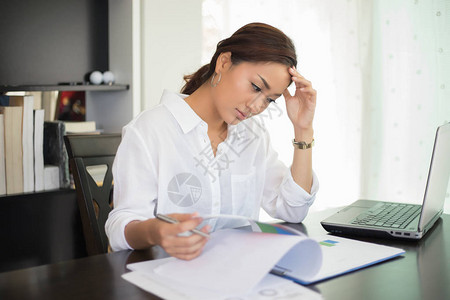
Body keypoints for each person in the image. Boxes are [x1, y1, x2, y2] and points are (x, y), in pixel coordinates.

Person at [105, 22, 318, 260]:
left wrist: (303, 129)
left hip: (235, 277)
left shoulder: (253, 136)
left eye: (270, 100)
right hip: (167, 279)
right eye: (256, 87)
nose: (257, 106)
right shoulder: (150, 130)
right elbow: (119, 228)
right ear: (224, 62)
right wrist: (156, 231)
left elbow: (293, 209)